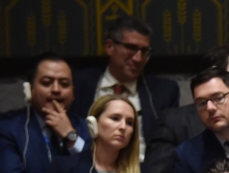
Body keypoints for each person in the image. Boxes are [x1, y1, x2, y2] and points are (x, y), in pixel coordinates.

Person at [0, 52, 91, 173]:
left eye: (64, 84)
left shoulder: (84, 127)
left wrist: (71, 137)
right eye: (47, 82)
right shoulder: (8, 129)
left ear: (73, 92)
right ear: (30, 89)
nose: (56, 90)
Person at [72, 16, 179, 162]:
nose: (138, 58)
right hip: (89, 171)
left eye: (144, 51)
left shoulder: (163, 92)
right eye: (131, 48)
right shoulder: (80, 84)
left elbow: (166, 150)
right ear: (110, 47)